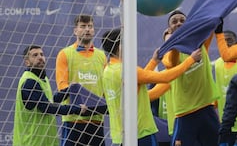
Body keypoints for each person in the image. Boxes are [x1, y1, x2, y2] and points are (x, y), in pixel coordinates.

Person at [101, 28, 201, 146]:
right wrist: (191, 60)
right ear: (120, 47)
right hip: (141, 133)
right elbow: (165, 77)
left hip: (118, 138)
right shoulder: (128, 70)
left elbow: (141, 83)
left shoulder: (107, 71)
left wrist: (154, 61)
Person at [162, 10, 220, 146]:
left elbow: (212, 20)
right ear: (169, 29)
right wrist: (171, 38)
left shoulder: (201, 43)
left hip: (206, 108)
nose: (179, 23)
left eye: (182, 20)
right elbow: (171, 62)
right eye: (174, 21)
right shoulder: (169, 53)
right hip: (185, 114)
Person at [13, 45, 88, 146]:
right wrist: (76, 109)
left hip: (45, 141)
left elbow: (50, 101)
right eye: (35, 55)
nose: (40, 57)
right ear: (27, 62)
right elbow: (47, 107)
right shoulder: (29, 82)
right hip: (30, 142)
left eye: (42, 54)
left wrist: (69, 90)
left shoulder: (42, 79)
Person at [55, 14, 107, 146]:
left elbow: (106, 87)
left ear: (94, 30)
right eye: (83, 26)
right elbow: (62, 85)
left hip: (96, 119)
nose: (87, 29)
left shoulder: (101, 55)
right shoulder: (65, 54)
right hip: (73, 120)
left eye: (90, 26)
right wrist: (78, 105)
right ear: (75, 31)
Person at [213, 30, 237, 146]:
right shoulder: (218, 64)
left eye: (229, 40)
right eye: (223, 42)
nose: (226, 44)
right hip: (225, 122)